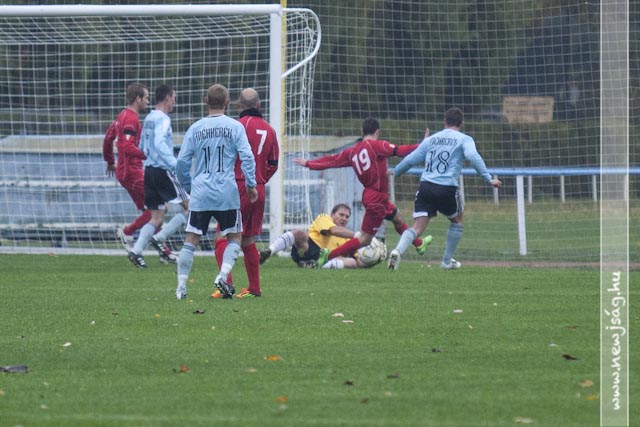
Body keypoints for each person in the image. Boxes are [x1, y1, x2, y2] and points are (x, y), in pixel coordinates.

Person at [293, 117, 432, 267]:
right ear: (377, 132)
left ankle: (418, 244)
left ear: (362, 131)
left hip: (373, 195)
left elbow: (332, 160)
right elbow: (400, 150)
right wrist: (422, 146)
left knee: (397, 218)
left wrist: (309, 163)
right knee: (364, 239)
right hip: (377, 198)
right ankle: (328, 256)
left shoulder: (352, 151)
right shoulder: (377, 145)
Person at [388, 107, 502, 271]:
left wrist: (396, 171)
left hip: (426, 186)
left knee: (417, 227)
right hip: (447, 188)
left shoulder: (431, 139)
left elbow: (411, 159)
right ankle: (446, 261)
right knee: (457, 220)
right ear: (461, 123)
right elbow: (472, 156)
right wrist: (488, 178)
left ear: (445, 122)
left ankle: (397, 251)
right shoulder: (464, 139)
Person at [174, 84, 257, 300]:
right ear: (228, 103)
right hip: (226, 191)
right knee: (234, 236)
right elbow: (247, 157)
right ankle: (223, 275)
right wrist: (251, 184)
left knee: (191, 239)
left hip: (201, 191)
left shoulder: (196, 128)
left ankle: (181, 287)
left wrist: (190, 187)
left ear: (206, 101)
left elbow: (181, 163)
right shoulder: (235, 126)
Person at [212, 88, 279, 298]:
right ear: (259, 105)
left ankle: (226, 285)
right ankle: (254, 288)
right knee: (247, 238)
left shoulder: (234, 126)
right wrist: (260, 180)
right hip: (259, 187)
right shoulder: (270, 130)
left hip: (237, 186)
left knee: (222, 235)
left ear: (238, 105)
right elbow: (273, 164)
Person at [127, 84, 189, 268]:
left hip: (149, 171)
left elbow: (143, 146)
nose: (175, 102)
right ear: (167, 98)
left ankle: (136, 251)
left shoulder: (149, 118)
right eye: (174, 98)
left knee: (157, 217)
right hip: (163, 170)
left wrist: (150, 156)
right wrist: (174, 164)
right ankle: (160, 238)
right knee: (192, 208)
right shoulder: (163, 119)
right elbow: (160, 143)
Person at [102, 82, 150, 251]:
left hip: (123, 172)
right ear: (138, 99)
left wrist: (110, 161)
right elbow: (127, 147)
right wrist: (148, 155)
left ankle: (162, 249)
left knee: (151, 212)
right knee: (159, 208)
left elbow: (108, 139)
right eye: (146, 98)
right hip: (132, 172)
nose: (148, 102)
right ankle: (127, 232)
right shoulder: (131, 119)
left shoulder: (121, 116)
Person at [259, 203, 372, 269]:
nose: (344, 218)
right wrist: (359, 235)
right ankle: (270, 251)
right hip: (308, 249)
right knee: (299, 233)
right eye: (341, 215)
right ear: (332, 214)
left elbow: (358, 261)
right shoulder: (324, 218)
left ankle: (315, 265)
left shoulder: (348, 238)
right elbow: (333, 230)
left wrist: (373, 259)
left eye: (347, 217)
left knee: (351, 262)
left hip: (328, 258)